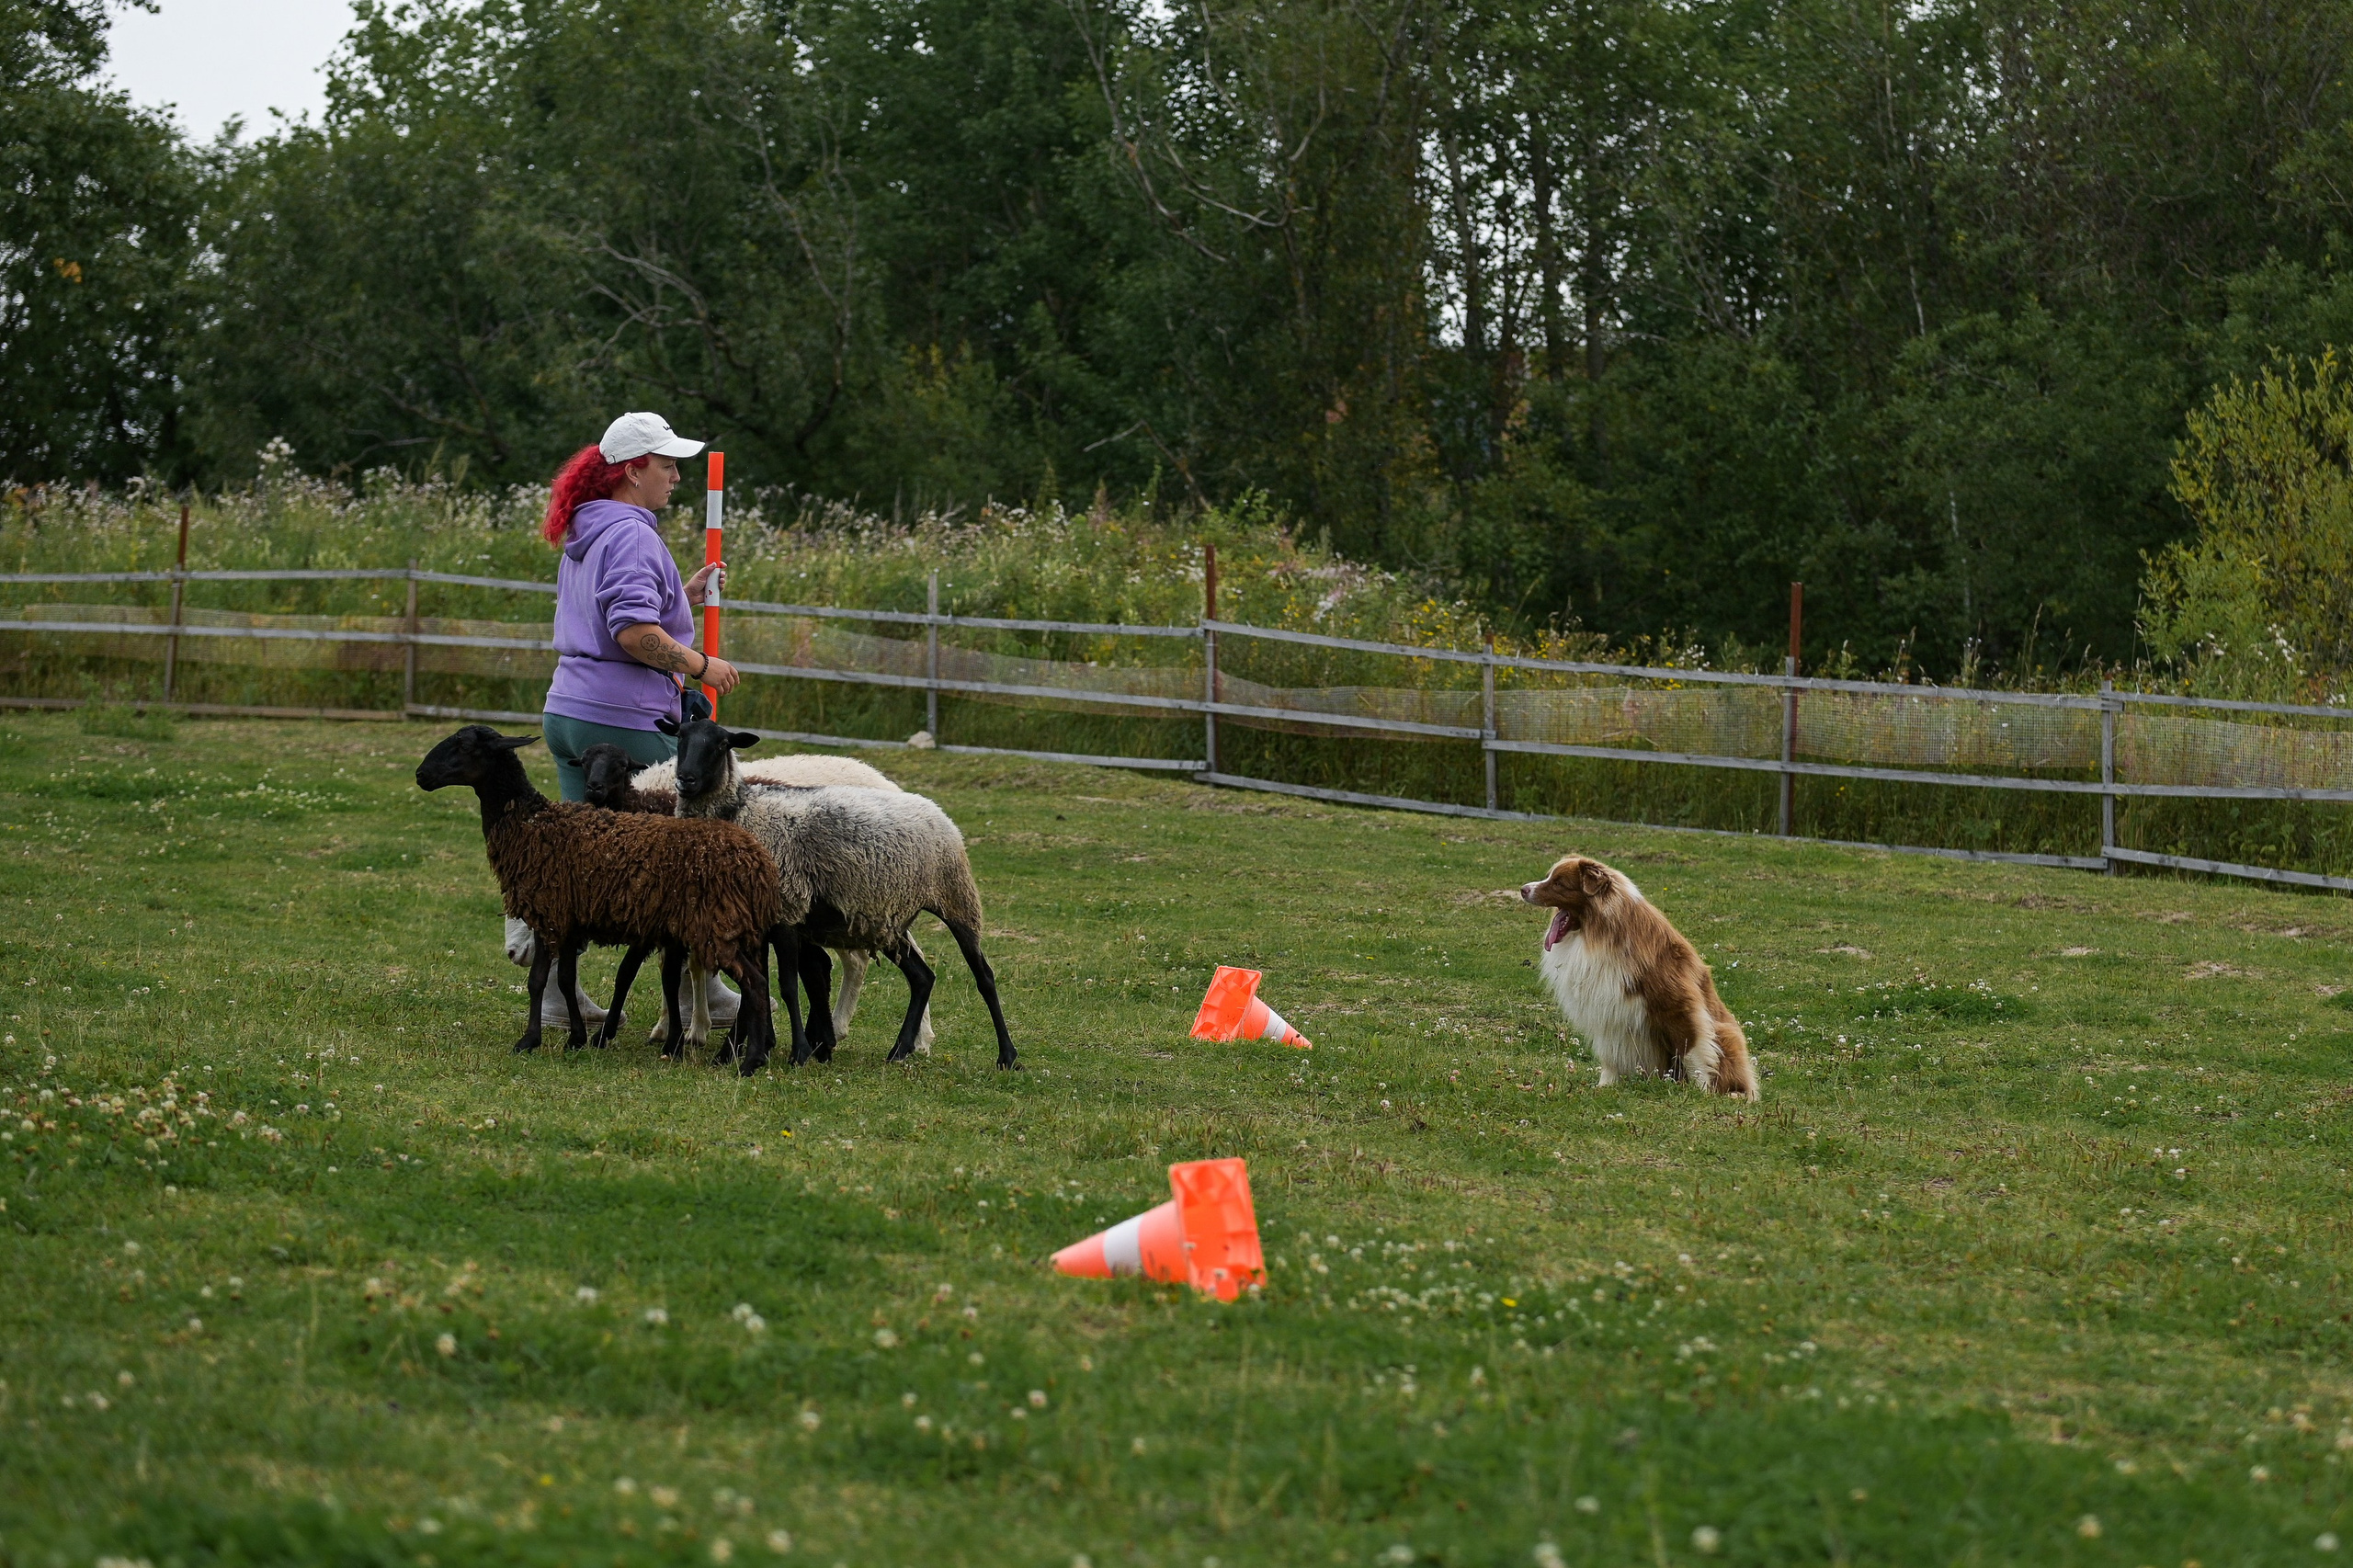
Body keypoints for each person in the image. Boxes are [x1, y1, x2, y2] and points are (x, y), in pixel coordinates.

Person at [522, 411, 744, 1028]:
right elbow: (631, 631)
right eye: (666, 464)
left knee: (580, 862)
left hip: (569, 711)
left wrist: (682, 593)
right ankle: (714, 994)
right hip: (623, 715)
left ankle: (554, 996)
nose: (676, 475)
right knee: (686, 851)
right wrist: (700, 664)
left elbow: (625, 610)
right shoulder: (633, 534)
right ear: (631, 470)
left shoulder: (589, 530)